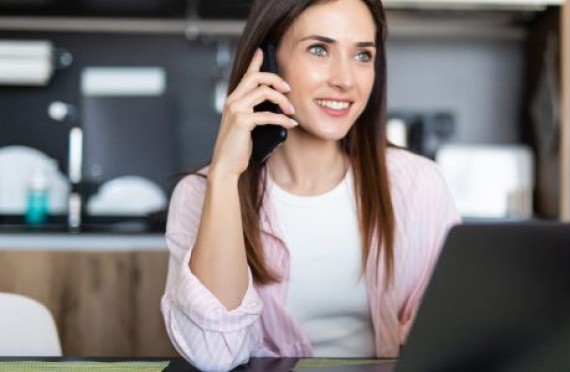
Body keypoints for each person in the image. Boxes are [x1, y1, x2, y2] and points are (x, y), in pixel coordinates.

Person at [160, 0, 461, 370]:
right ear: (267, 61)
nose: (346, 79)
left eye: (362, 55)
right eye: (319, 49)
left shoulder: (418, 184)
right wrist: (225, 174)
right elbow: (213, 356)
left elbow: (450, 336)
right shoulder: (200, 194)